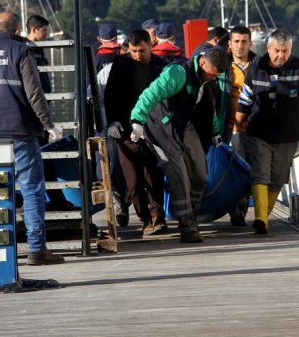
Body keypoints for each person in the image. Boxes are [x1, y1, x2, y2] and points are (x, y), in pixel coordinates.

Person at [0, 11, 65, 266]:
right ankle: (37, 249)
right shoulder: (21, 51)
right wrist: (48, 124)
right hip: (19, 131)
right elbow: (34, 93)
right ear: (17, 29)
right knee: (31, 190)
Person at [129, 48, 228, 243]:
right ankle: (187, 226)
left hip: (183, 123)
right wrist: (137, 120)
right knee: (179, 174)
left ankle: (192, 213)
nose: (212, 78)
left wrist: (215, 133)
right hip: (160, 125)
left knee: (200, 171)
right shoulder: (177, 73)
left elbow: (209, 108)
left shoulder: (206, 80)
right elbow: (150, 94)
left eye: (216, 76)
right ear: (202, 63)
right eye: (211, 73)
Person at [235, 29, 299, 235]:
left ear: (290, 50)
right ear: (268, 48)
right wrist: (236, 131)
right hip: (259, 132)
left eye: (285, 51)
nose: (281, 56)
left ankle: (265, 213)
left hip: (287, 134)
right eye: (277, 51)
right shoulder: (255, 68)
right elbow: (244, 102)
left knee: (278, 178)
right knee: (260, 173)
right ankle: (261, 219)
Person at [105, 30, 168, 235]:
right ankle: (144, 218)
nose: (138, 55)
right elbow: (111, 95)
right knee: (132, 179)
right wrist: (112, 122)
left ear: (151, 46)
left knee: (153, 174)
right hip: (125, 130)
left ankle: (158, 216)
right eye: (133, 51)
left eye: (142, 50)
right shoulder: (121, 64)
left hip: (153, 129)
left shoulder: (161, 65)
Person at [93, 23, 131, 226]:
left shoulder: (93, 62)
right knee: (122, 165)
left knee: (110, 165)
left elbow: (89, 98)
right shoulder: (123, 63)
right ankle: (123, 204)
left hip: (106, 124)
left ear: (100, 40)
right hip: (123, 122)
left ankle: (118, 204)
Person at [222, 25, 260, 226]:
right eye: (236, 41)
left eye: (244, 41)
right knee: (233, 172)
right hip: (229, 127)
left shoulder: (260, 65)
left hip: (255, 127)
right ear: (229, 44)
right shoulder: (223, 66)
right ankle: (237, 211)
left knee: (254, 172)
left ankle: (248, 209)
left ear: (250, 43)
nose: (240, 46)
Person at [26, 15, 52, 93]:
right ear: (34, 30)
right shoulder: (25, 49)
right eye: (43, 30)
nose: (46, 34)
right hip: (34, 97)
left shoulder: (40, 48)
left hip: (44, 95)